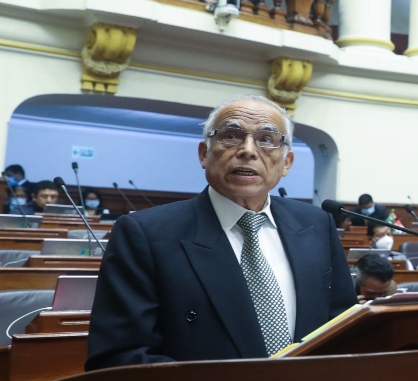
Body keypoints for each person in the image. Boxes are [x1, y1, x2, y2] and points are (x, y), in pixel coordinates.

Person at [85, 95, 357, 370]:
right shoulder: (145, 234)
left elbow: (345, 330)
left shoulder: (316, 225)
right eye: (231, 136)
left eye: (266, 139)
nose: (248, 150)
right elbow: (118, 358)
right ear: (204, 154)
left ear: (287, 162)